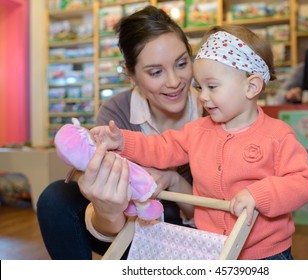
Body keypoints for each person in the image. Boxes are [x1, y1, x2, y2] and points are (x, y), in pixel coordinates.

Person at [90, 25, 308, 260]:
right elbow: (160, 147)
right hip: (210, 249)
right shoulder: (197, 131)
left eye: (212, 86)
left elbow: (303, 182)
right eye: (199, 87)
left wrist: (258, 195)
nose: (203, 96)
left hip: (266, 253)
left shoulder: (277, 135)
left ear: (251, 87)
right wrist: (122, 140)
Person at [36, 5, 203, 260]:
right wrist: (108, 211)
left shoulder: (215, 110)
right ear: (130, 73)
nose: (174, 81)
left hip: (197, 234)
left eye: (182, 63)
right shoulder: (117, 113)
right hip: (130, 229)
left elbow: (218, 212)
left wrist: (172, 179)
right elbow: (109, 229)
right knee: (56, 198)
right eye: (156, 72)